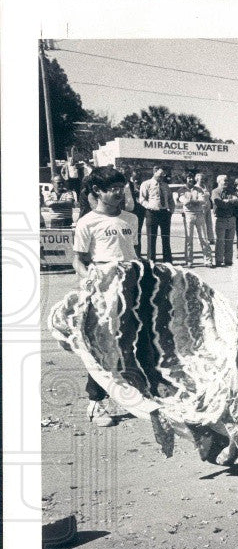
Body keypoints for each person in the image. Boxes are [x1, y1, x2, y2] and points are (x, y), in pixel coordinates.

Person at [71, 166, 141, 427]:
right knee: (101, 345)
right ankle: (95, 404)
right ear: (97, 191)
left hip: (131, 284)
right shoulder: (87, 222)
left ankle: (131, 394)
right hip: (102, 288)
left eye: (121, 188)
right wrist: (90, 278)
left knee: (131, 342)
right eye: (112, 189)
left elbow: (132, 252)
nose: (118, 193)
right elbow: (78, 260)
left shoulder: (130, 219)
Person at [139, 165, 174, 262]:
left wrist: (171, 211)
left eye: (163, 175)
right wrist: (150, 206)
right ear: (154, 172)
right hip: (152, 213)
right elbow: (142, 200)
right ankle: (151, 261)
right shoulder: (146, 184)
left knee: (166, 238)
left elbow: (170, 199)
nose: (162, 177)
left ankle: (167, 261)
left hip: (164, 213)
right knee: (151, 238)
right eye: (160, 174)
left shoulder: (165, 185)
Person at [177, 171, 213, 267]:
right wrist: (194, 201)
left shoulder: (199, 189)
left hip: (200, 214)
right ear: (185, 179)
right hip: (188, 215)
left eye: (192, 177)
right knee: (189, 239)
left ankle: (208, 260)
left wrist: (191, 201)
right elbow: (184, 202)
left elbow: (203, 201)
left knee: (204, 238)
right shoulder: (181, 190)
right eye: (189, 177)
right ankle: (189, 260)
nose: (191, 179)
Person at [211, 174, 238, 267]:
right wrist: (230, 201)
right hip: (221, 219)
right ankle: (219, 261)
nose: (226, 182)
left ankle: (228, 260)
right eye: (224, 181)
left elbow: (237, 200)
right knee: (220, 241)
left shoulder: (230, 191)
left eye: (227, 180)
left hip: (231, 219)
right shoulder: (215, 191)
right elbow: (219, 203)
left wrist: (228, 201)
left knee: (230, 241)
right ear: (219, 181)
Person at [125, 170, 145, 257]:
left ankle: (137, 255)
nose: (137, 179)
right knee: (126, 234)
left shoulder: (139, 184)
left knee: (137, 234)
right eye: (135, 177)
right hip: (126, 212)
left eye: (139, 177)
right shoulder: (123, 185)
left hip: (138, 211)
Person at [194, 173, 215, 244]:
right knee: (201, 223)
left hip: (208, 206)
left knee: (209, 223)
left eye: (203, 179)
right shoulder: (195, 187)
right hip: (200, 207)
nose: (202, 180)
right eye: (201, 179)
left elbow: (209, 196)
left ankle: (211, 238)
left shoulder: (205, 186)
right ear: (197, 179)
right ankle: (202, 239)